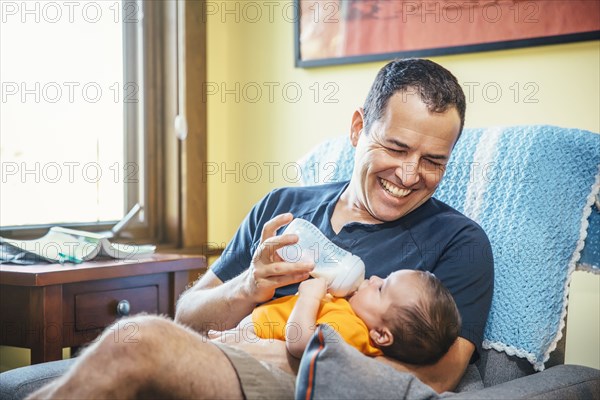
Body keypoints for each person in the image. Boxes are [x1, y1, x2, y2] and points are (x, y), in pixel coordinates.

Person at [26, 58, 494, 399]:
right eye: (396, 147)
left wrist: (299, 359)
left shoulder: (459, 242)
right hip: (226, 355)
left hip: (299, 385)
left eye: (434, 160)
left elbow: (440, 377)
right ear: (358, 129)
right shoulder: (284, 206)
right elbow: (187, 315)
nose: (410, 175)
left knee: (139, 342)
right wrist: (248, 286)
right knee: (127, 340)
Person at [246, 270, 461, 364]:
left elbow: (300, 343)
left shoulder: (352, 332)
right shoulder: (352, 315)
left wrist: (309, 297)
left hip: (252, 340)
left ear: (380, 334)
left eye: (381, 289)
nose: (374, 278)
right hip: (246, 332)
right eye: (384, 278)